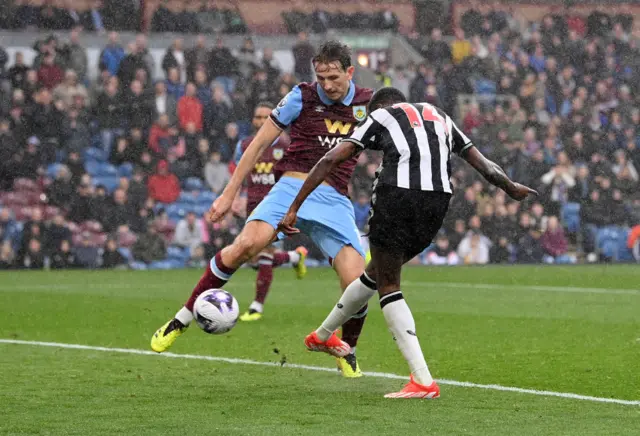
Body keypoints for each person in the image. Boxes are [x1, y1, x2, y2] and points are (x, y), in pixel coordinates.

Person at [277, 87, 537, 398]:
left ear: (380, 106)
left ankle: (423, 380)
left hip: (398, 196)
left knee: (389, 283)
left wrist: (294, 207)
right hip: (438, 203)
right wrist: (511, 188)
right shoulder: (439, 116)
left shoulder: (382, 114)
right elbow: (484, 164)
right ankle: (322, 336)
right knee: (376, 272)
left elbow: (331, 158)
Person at [150, 41, 373, 378]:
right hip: (289, 188)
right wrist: (228, 195)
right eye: (321, 77)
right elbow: (256, 144)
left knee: (356, 283)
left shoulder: (368, 103)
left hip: (334, 199)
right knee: (246, 246)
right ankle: (180, 320)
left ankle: (348, 350)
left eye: (333, 77)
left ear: (350, 72)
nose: (326, 85)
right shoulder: (301, 95)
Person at [231, 102, 307, 322]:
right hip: (253, 204)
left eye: (267, 117)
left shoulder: (287, 145)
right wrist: (235, 197)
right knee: (252, 258)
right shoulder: (245, 145)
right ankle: (295, 257)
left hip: (277, 204)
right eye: (258, 117)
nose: (262, 121)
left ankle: (256, 307)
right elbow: (239, 171)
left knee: (264, 254)